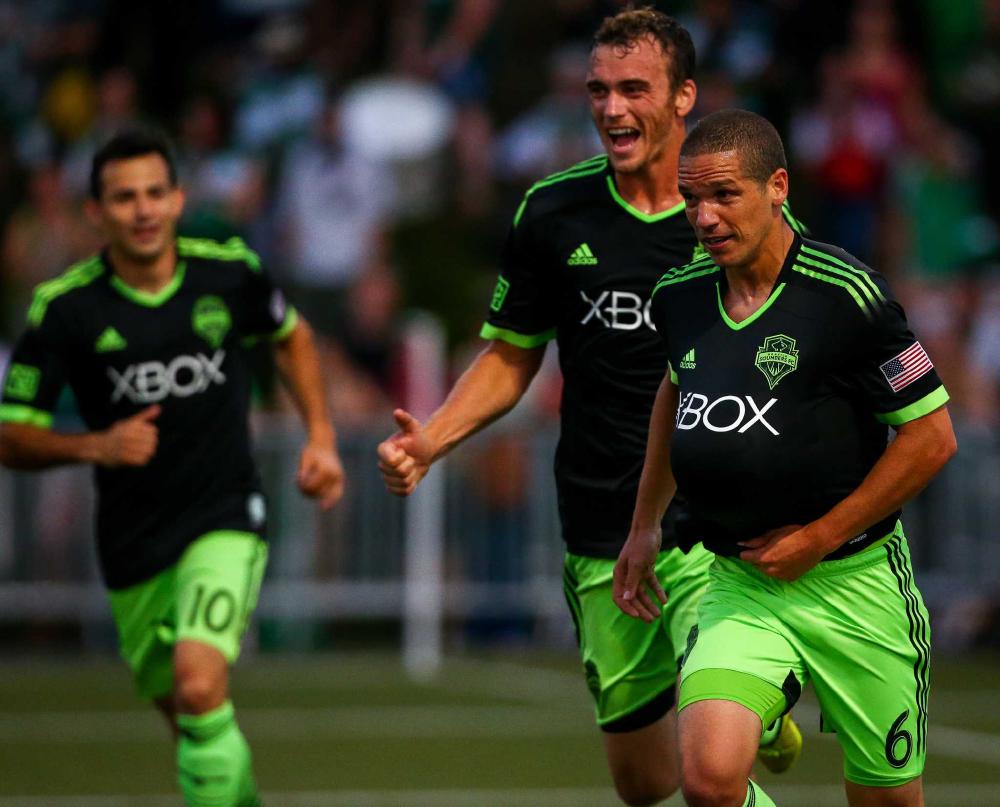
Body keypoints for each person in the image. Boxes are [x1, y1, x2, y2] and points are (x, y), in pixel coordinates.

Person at [378, 9, 800, 805]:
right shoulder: (551, 212)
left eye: (634, 89)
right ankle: (755, 709)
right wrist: (432, 438)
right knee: (645, 782)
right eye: (598, 90)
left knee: (710, 775)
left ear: (683, 97)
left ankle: (750, 698)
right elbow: (511, 353)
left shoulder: (735, 211)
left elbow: (802, 340)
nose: (612, 108)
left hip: (714, 527)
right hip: (601, 525)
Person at [614, 109, 957, 807]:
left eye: (724, 195)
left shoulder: (847, 295)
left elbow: (932, 436)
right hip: (742, 584)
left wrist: (818, 537)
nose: (704, 217)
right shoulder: (680, 296)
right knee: (709, 782)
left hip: (857, 586)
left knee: (889, 800)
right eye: (692, 198)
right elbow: (674, 396)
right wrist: (644, 525)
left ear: (777, 187)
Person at [0, 128, 344, 807]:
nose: (143, 209)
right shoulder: (65, 309)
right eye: (124, 197)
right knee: (192, 721)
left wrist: (322, 437)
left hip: (224, 513)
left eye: (156, 193)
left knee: (198, 683)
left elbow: (291, 337)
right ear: (95, 212)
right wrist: (94, 446)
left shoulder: (230, 271)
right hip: (132, 541)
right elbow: (11, 435)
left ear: (179, 199)